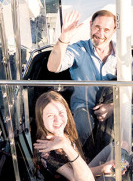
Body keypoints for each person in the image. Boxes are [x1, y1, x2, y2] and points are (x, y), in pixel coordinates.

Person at [46, 9, 118, 147]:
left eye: (106, 30)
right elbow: (53, 67)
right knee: (84, 124)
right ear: (91, 25)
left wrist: (112, 107)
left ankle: (121, 159)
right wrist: (64, 38)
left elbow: (128, 90)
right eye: (97, 27)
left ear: (114, 31)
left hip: (112, 106)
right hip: (83, 107)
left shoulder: (122, 54)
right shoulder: (78, 49)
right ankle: (75, 160)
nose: (100, 34)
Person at [32, 91, 109, 181]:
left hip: (85, 174)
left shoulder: (61, 133)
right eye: (50, 116)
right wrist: (65, 145)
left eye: (61, 113)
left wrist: (102, 169)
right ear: (41, 119)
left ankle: (126, 164)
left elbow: (79, 170)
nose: (58, 120)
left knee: (119, 147)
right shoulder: (46, 152)